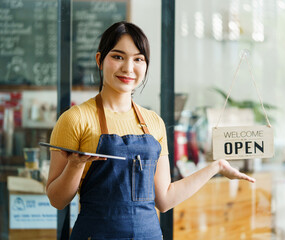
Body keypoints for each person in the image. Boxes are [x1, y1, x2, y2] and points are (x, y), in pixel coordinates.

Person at [46, 21, 256, 240]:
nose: (128, 68)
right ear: (100, 60)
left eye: (138, 59)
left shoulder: (154, 122)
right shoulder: (75, 119)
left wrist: (216, 167)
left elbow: (164, 200)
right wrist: (74, 164)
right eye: (118, 57)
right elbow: (56, 200)